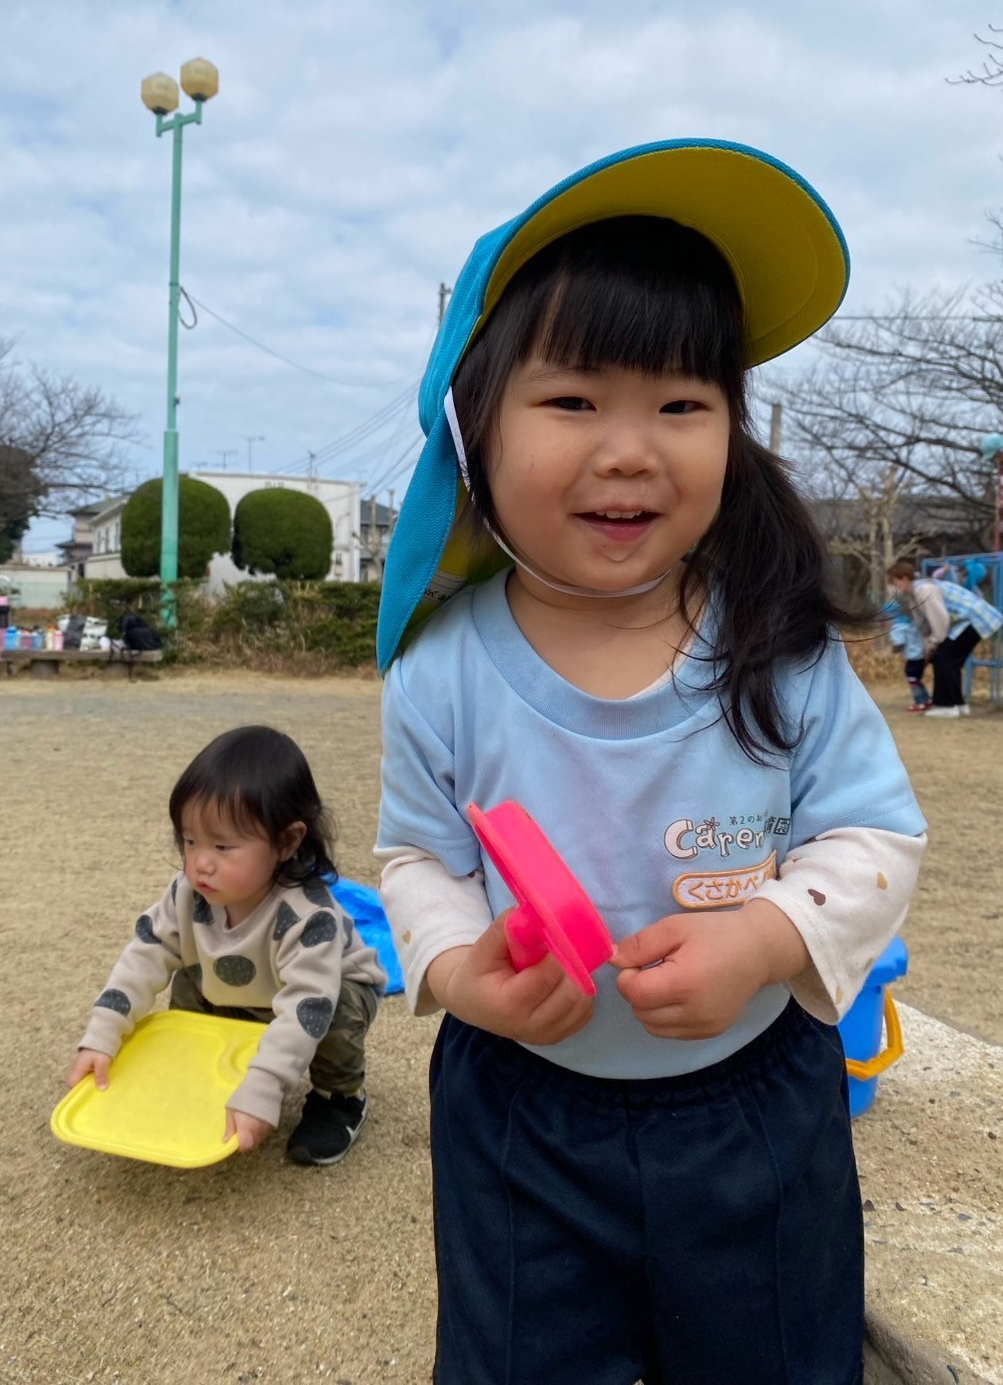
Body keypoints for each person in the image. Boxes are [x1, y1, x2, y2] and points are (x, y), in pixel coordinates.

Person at [374, 140, 926, 1384]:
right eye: (573, 401)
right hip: (519, 1111)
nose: (630, 450)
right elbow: (418, 856)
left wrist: (766, 941)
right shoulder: (439, 671)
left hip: (751, 1107)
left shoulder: (777, 643)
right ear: (471, 426)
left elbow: (873, 835)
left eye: (682, 405)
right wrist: (459, 971)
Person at [68, 725, 386, 1165]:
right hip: (244, 990)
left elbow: (305, 1006)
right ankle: (204, 1075)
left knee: (333, 1013)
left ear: (287, 841)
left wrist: (265, 1085)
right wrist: (103, 1034)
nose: (200, 862)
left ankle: (339, 1099)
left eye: (222, 845)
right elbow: (144, 954)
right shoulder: (187, 893)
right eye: (190, 840)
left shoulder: (307, 915)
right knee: (189, 980)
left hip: (324, 994)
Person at [887, 556, 1003, 719]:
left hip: (974, 619)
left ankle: (946, 706)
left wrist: (934, 643)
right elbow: (924, 627)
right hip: (967, 622)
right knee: (948, 661)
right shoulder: (915, 596)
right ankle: (958, 704)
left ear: (904, 579)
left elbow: (940, 622)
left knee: (944, 659)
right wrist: (928, 648)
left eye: (893, 582)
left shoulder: (924, 590)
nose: (892, 587)